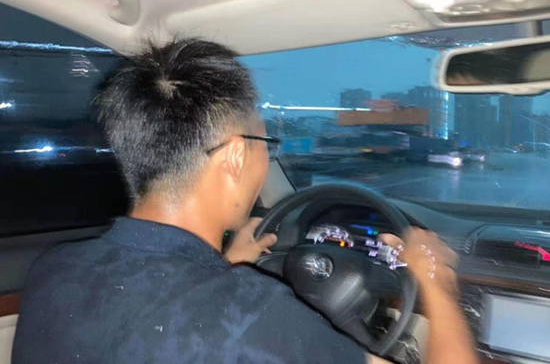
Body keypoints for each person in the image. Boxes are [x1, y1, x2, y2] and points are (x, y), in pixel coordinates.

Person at [12, 39, 479, 364]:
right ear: (235, 156)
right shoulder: (253, 317)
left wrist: (223, 267)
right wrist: (435, 283)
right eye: (263, 143)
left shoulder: (54, 271)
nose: (264, 158)